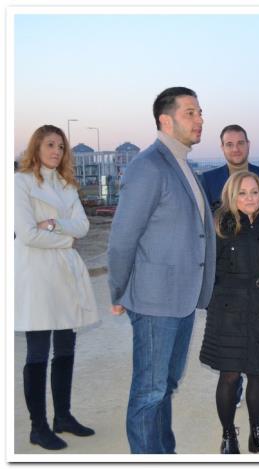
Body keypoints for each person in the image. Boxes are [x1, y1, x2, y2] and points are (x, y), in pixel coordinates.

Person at [107, 86, 216, 454]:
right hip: (154, 301)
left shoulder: (183, 164)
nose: (200, 119)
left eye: (200, 112)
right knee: (150, 391)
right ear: (165, 120)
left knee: (166, 385)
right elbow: (123, 237)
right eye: (190, 113)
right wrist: (118, 290)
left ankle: (163, 454)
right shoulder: (148, 165)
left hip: (181, 298)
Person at [15, 125, 100, 450]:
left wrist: (52, 224)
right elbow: (26, 234)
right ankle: (38, 427)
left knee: (66, 347)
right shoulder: (19, 182)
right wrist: (66, 238)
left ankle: (62, 416)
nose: (56, 151)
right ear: (36, 147)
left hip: (64, 274)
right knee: (38, 351)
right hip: (35, 274)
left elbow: (84, 226)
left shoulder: (66, 185)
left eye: (61, 147)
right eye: (50, 144)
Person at [200, 124, 259, 406]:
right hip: (228, 274)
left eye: (240, 142)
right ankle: (235, 385)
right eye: (229, 144)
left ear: (248, 145)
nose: (236, 148)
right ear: (222, 148)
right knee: (232, 338)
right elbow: (205, 222)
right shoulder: (209, 179)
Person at [200, 171, 259, 454]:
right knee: (230, 375)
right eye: (243, 193)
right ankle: (228, 437)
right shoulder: (220, 227)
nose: (250, 198)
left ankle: (257, 436)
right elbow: (210, 269)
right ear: (231, 196)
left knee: (258, 373)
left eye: (254, 192)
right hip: (229, 313)